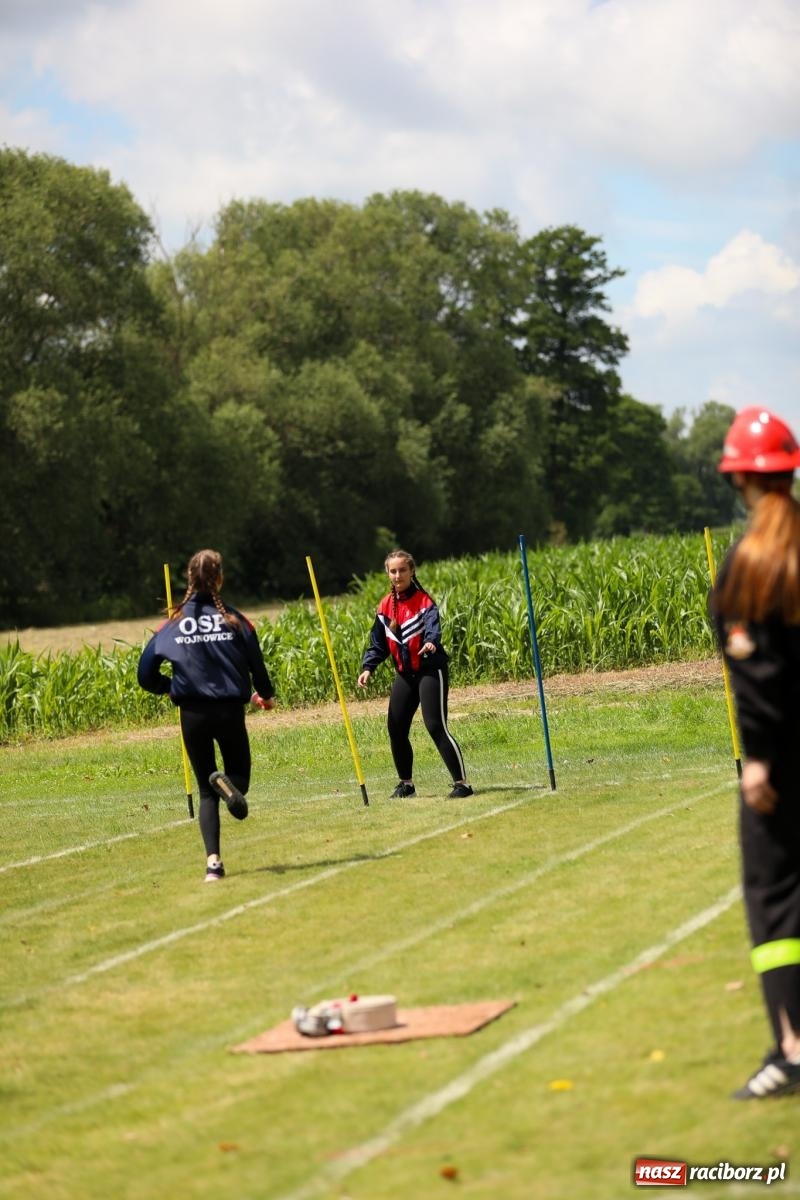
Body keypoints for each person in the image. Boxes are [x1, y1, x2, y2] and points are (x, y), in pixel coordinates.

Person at [710, 406, 800, 1099]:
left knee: (775, 904)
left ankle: (792, 1051)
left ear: (738, 476)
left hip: (785, 763)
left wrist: (761, 759)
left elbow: (758, 676)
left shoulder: (751, 563)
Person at [138, 549, 275, 883]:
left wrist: (169, 687)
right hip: (229, 711)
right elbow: (257, 667)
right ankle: (227, 784)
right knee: (238, 777)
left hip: (192, 714)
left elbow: (145, 674)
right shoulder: (236, 619)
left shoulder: (172, 623)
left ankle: (213, 864)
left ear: (189, 579)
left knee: (204, 792)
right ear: (219, 578)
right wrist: (265, 695)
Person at [357, 548, 473, 799]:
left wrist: (431, 642)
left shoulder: (424, 601)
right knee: (396, 728)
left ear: (411, 571)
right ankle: (406, 785)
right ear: (388, 573)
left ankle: (462, 784)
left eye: (402, 570)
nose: (398, 575)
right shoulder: (385, 607)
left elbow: (433, 628)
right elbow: (378, 643)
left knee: (435, 726)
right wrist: (368, 667)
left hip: (430, 670)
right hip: (405, 675)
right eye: (393, 571)